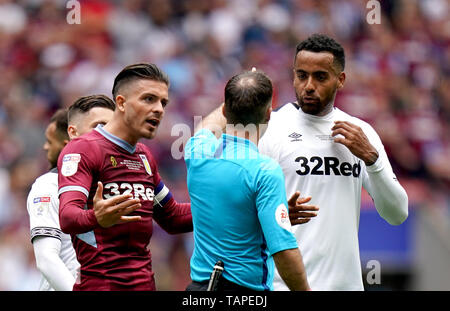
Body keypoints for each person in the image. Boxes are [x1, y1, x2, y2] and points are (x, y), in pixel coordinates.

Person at [258, 34, 409, 291]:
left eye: (320, 77)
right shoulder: (270, 129)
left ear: (340, 80)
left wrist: (372, 159)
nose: (308, 85)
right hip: (285, 286)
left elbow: (397, 214)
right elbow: (241, 212)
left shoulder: (361, 132)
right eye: (301, 75)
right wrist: (277, 214)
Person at [57, 63, 192, 291]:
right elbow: (68, 217)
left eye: (163, 102)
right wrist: (96, 217)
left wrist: (227, 205)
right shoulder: (84, 149)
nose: (159, 109)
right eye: (149, 99)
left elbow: (172, 217)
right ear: (121, 103)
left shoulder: (144, 156)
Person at [184, 69, 310, 291]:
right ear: (269, 113)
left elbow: (205, 126)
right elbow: (283, 251)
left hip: (198, 290)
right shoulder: (264, 171)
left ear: (224, 109)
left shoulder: (197, 152)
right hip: (244, 292)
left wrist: (239, 90)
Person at [26, 95, 115, 291]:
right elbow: (47, 260)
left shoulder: (119, 182)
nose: (109, 135)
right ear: (72, 137)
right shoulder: (49, 185)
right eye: (99, 126)